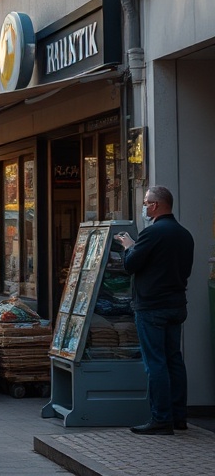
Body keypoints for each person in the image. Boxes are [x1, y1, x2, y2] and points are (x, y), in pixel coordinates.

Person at [116, 185, 194, 435]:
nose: (145, 206)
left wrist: (129, 245)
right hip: (176, 304)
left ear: (155, 205)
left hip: (151, 307)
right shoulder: (184, 234)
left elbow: (130, 265)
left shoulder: (152, 233)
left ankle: (161, 418)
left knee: (156, 363)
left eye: (147, 202)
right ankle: (179, 416)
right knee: (174, 360)